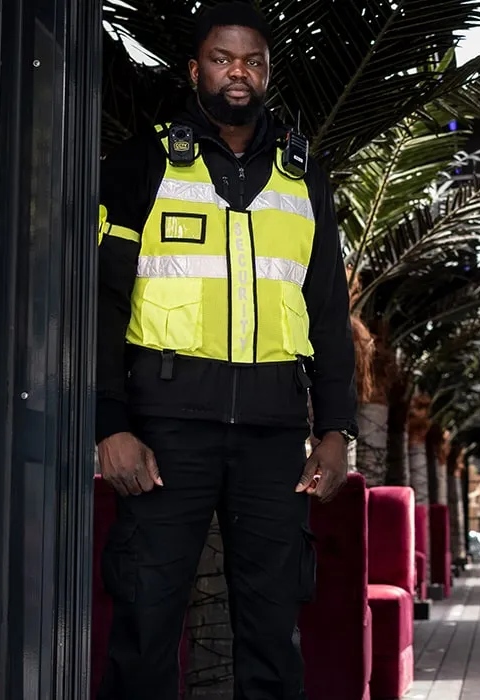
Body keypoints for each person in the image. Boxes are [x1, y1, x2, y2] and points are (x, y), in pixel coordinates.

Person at [95, 3, 358, 698]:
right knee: (145, 624)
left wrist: (337, 431)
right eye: (222, 58)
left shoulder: (305, 176)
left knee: (274, 636)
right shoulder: (141, 162)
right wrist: (109, 424)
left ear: (267, 74)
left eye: (252, 61)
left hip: (274, 436)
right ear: (194, 70)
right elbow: (102, 300)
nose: (237, 72)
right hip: (165, 431)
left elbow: (329, 313)